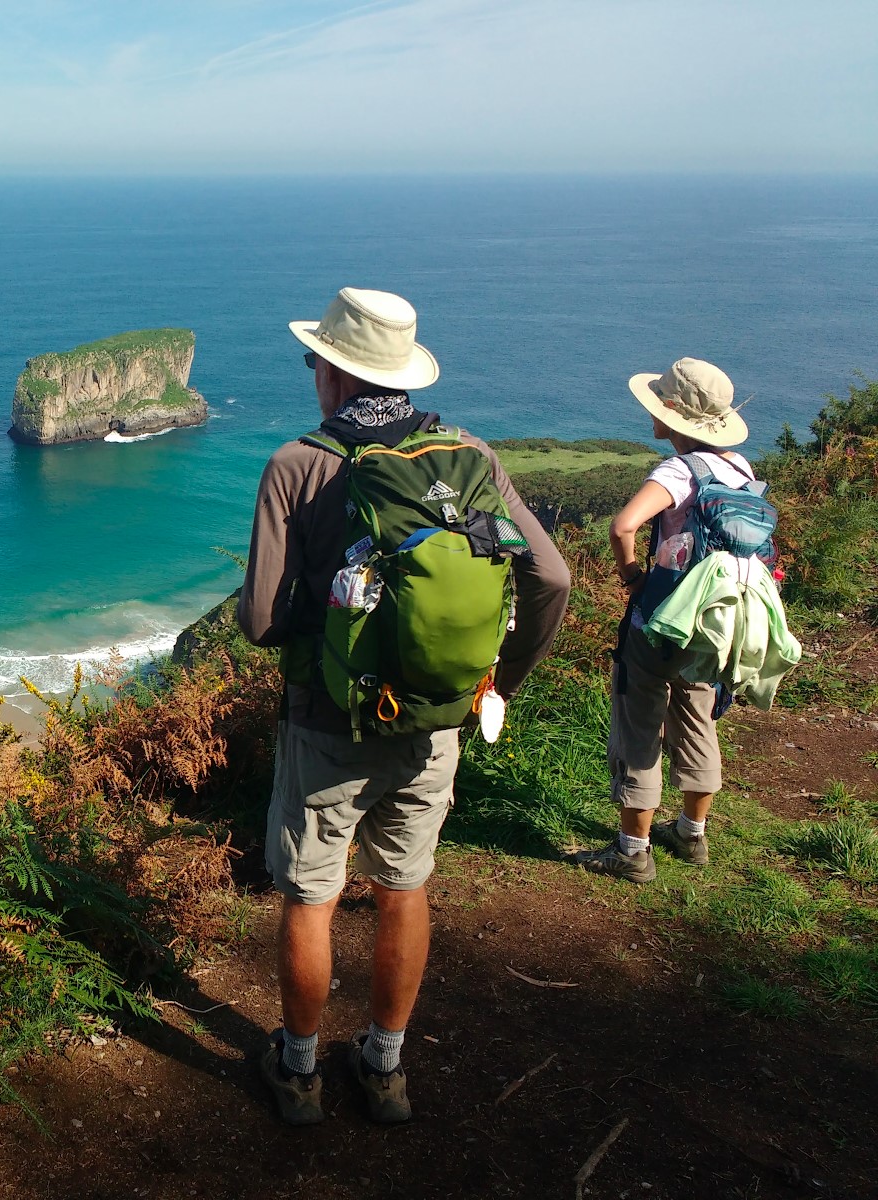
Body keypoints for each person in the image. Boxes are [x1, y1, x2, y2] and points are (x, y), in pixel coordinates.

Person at [237, 287, 570, 1125]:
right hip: (438, 720)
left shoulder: (298, 465)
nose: (311, 370)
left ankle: (301, 1073)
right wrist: (495, 681)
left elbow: (262, 622)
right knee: (404, 885)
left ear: (339, 375)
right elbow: (552, 578)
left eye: (316, 359)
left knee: (312, 894)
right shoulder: (468, 454)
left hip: (328, 721)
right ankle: (384, 1071)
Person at [573, 358, 755, 884]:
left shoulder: (679, 470)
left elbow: (623, 525)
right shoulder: (739, 468)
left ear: (673, 418)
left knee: (640, 723)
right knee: (698, 719)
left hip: (662, 618)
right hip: (715, 621)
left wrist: (632, 578)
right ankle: (692, 836)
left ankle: (633, 851)